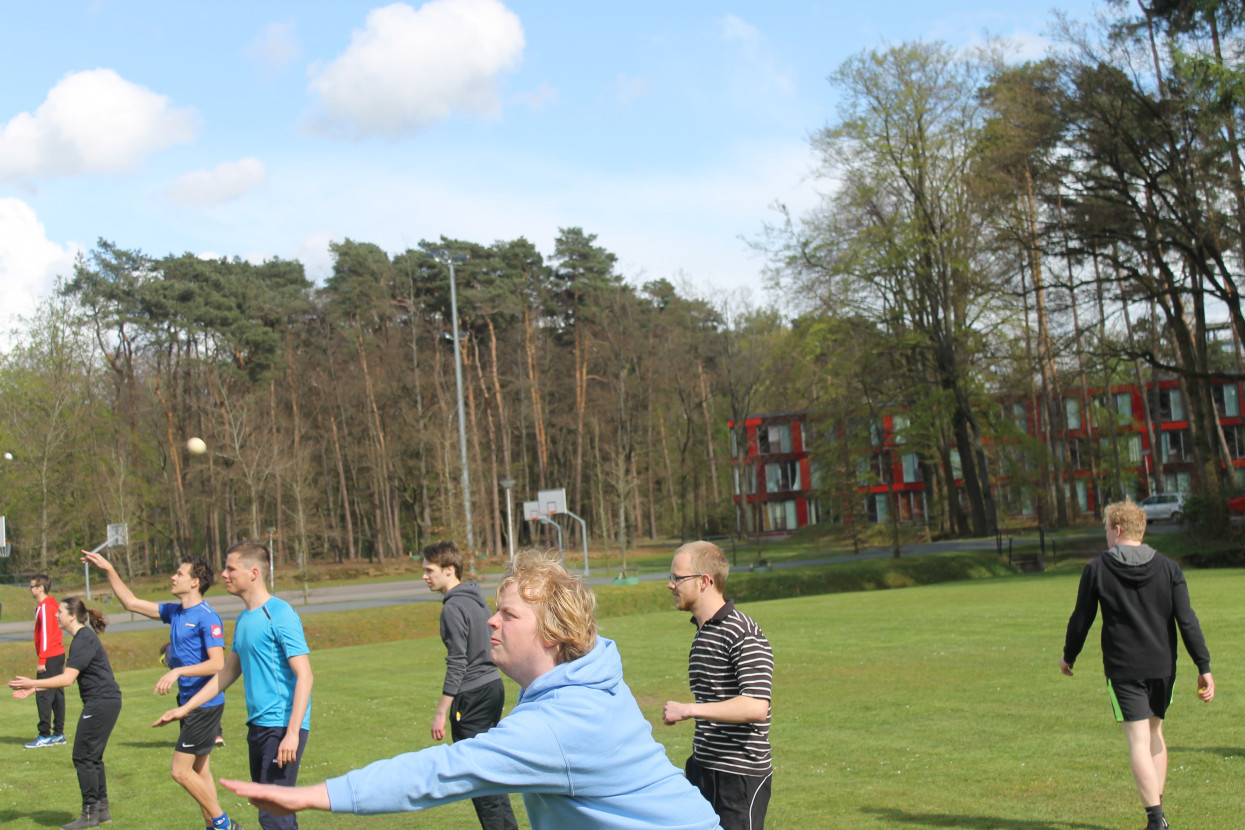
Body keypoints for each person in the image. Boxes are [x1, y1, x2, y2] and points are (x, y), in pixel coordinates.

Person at [219, 550, 723, 830]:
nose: (490, 623)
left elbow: (442, 771)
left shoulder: (557, 724)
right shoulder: (588, 677)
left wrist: (314, 795)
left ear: (552, 633)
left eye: (508, 615)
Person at [1061, 498, 1215, 830]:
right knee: (1155, 734)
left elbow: (1081, 619)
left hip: (1124, 668)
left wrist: (1069, 655)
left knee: (1138, 741)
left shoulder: (1097, 569)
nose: (1106, 535)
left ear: (1117, 530)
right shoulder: (1170, 568)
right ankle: (1158, 813)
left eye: (1106, 529)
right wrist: (1204, 666)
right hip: (1163, 667)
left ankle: (1155, 820)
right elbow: (1187, 621)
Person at [155, 541, 313, 830]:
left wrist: (292, 733)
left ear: (253, 573)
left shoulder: (280, 613)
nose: (224, 574)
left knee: (273, 814)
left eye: (230, 568)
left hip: (282, 726)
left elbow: (305, 675)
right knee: (270, 807)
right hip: (258, 726)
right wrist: (186, 708)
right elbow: (226, 673)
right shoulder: (244, 619)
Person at [83, 550, 240, 830]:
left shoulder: (207, 617)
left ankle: (224, 823)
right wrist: (108, 568)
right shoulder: (175, 611)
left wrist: (178, 670)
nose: (173, 576)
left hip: (205, 705)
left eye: (179, 573)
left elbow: (217, 663)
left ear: (195, 582)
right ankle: (214, 826)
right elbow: (131, 602)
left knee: (180, 771)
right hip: (189, 702)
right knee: (199, 771)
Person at [663, 540, 774, 830]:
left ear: (704, 581)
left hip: (737, 778)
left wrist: (689, 710)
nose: (670, 585)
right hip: (704, 769)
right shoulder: (704, 632)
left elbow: (756, 706)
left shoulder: (742, 633)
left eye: (677, 577)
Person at [421, 541, 518, 830]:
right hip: (492, 689)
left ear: (449, 570)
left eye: (429, 570)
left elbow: (457, 662)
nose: (424, 577)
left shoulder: (453, 607)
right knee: (489, 771)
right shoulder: (476, 598)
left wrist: (441, 711)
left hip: (471, 696)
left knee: (477, 775)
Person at [10, 597, 122, 830]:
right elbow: (67, 677)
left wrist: (33, 681)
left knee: (82, 756)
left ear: (72, 615)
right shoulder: (83, 638)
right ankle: (101, 811)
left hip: (100, 703)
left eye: (59, 611)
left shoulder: (83, 639)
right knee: (92, 757)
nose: (55, 615)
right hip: (105, 702)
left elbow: (67, 679)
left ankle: (90, 813)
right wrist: (35, 687)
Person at [27, 573, 67, 748]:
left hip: (50, 655)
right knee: (57, 693)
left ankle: (45, 735)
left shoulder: (45, 606)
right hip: (58, 653)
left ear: (40, 588)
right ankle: (59, 733)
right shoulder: (52, 604)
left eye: (32, 586)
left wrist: (42, 659)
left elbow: (46, 634)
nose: (30, 589)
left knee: (43, 694)